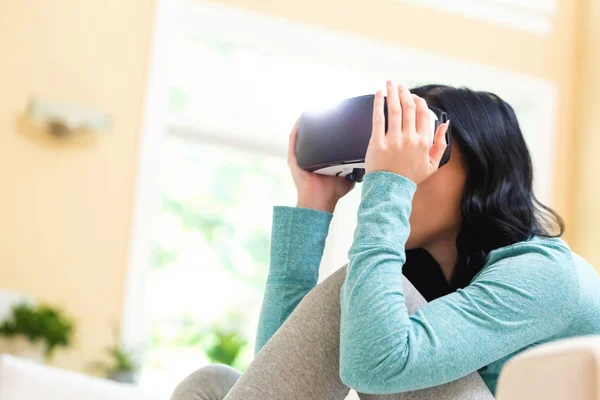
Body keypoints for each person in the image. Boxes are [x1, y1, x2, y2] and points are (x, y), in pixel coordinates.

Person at [171, 81, 600, 400]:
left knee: (357, 291)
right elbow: (283, 377)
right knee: (211, 384)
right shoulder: (424, 275)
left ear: (481, 169)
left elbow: (375, 365)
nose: (402, 170)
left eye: (421, 152)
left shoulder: (545, 272)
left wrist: (390, 185)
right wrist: (313, 205)